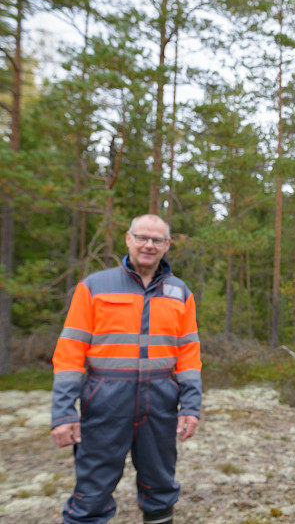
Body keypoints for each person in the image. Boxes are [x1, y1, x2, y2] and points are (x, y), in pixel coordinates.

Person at [51, 214, 202, 524]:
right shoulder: (94, 286)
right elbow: (70, 352)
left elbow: (189, 355)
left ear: (166, 245)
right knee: (91, 494)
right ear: (128, 239)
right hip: (105, 403)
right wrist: (64, 412)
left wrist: (191, 406)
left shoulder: (180, 293)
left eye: (157, 239)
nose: (149, 245)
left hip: (160, 404)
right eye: (142, 237)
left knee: (160, 489)